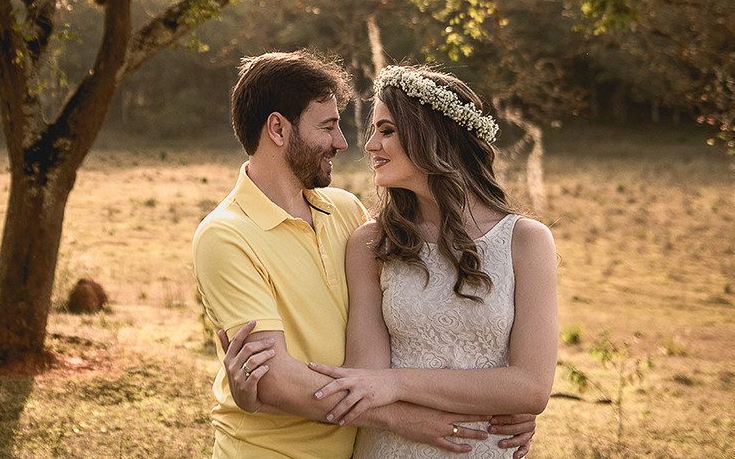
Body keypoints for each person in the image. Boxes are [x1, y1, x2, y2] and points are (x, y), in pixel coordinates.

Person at [193, 52, 537, 459]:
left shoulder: (345, 211)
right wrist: (402, 418)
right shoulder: (225, 234)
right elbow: (276, 380)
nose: (344, 143)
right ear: (278, 129)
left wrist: (501, 401)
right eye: (328, 126)